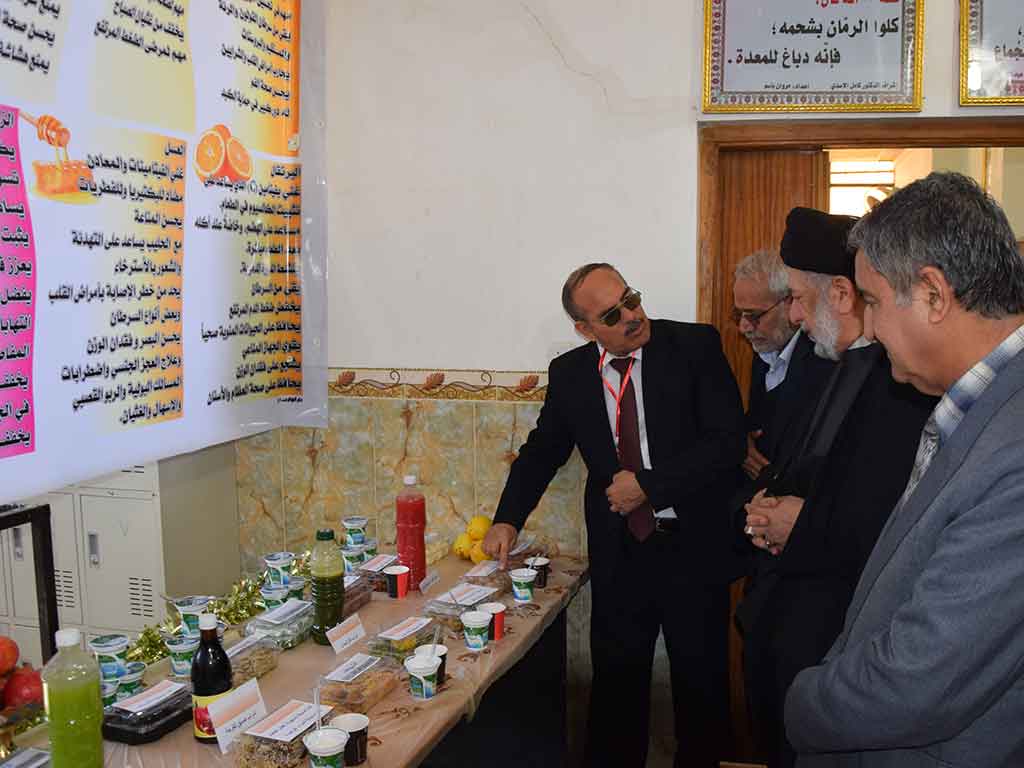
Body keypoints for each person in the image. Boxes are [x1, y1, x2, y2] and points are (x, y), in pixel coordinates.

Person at [785, 173, 1024, 767]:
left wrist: (801, 702)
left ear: (933, 295)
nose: (866, 328)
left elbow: (921, 679)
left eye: (871, 301)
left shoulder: (1014, 449)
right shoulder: (979, 401)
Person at [482, 263, 746, 768]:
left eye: (631, 298)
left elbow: (727, 442)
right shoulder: (570, 374)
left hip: (692, 548)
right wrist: (507, 518)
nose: (631, 315)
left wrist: (649, 485)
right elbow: (543, 451)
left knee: (702, 692)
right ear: (585, 329)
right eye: (612, 314)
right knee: (615, 695)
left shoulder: (694, 347)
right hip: (621, 552)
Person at [739, 208, 935, 768]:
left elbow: (892, 520)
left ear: (843, 295)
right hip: (790, 618)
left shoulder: (901, 379)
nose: (794, 316)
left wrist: (800, 524)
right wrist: (768, 506)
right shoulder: (838, 363)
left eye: (799, 299)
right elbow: (800, 468)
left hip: (836, 634)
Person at [732, 249, 835, 515]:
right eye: (739, 314)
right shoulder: (765, 351)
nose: (743, 327)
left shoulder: (826, 358)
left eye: (754, 316)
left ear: (790, 302)